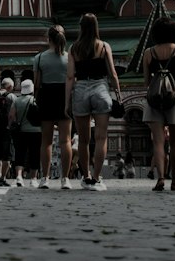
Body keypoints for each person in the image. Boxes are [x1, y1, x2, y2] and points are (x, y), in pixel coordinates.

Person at [65, 13, 121, 192]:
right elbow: (112, 73)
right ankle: (97, 178)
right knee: (101, 137)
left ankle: (86, 177)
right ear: (96, 26)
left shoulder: (73, 48)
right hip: (100, 89)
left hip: (81, 90)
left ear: (80, 27)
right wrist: (118, 94)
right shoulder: (104, 46)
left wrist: (67, 101)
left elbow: (69, 77)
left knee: (83, 140)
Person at [141, 15, 175, 192]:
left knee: (157, 142)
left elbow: (146, 81)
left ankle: (160, 179)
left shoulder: (149, 52)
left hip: (154, 97)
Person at [34, 26, 73, 190]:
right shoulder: (69, 57)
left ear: (47, 38)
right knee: (66, 141)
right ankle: (65, 178)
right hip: (64, 95)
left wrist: (36, 98)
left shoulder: (39, 58)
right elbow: (72, 78)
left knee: (46, 141)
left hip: (46, 96)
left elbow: (36, 84)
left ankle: (45, 178)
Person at [10, 78, 43, 185]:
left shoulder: (16, 100)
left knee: (20, 153)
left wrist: (12, 125)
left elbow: (11, 116)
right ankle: (33, 178)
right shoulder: (36, 100)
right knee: (35, 154)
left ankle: (19, 176)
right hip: (36, 131)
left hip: (21, 132)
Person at [0, 78, 15, 187]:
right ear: (10, 87)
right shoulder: (11, 97)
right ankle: (3, 177)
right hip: (7, 129)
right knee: (7, 154)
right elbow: (12, 115)